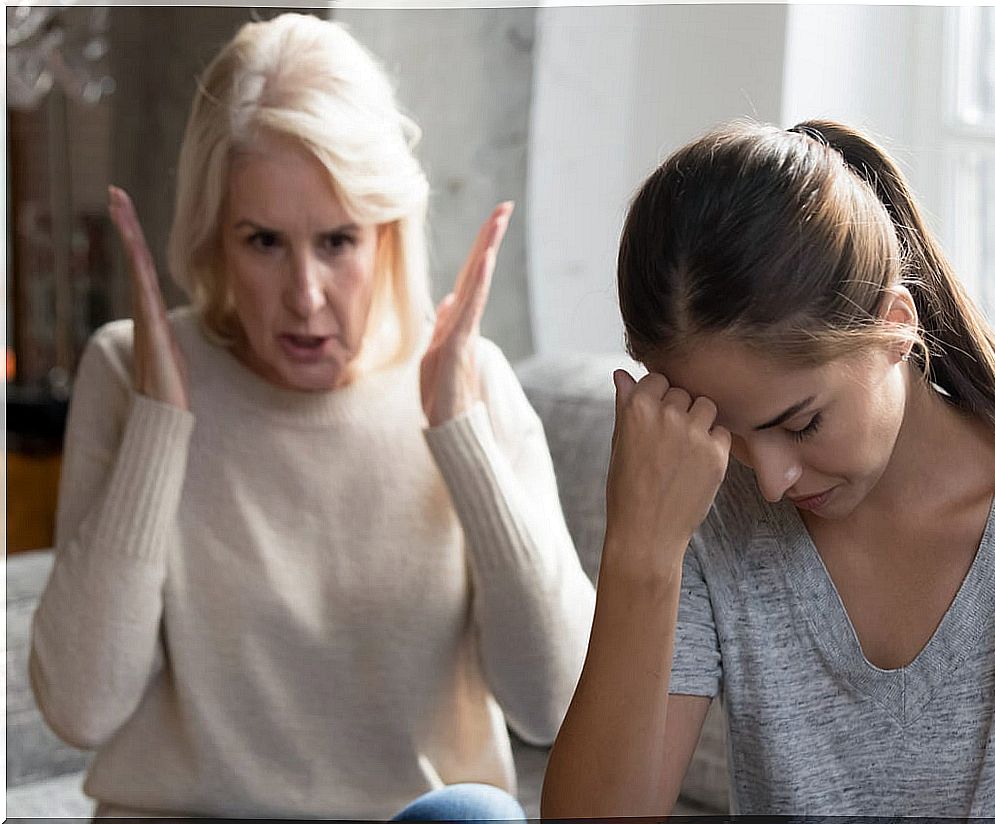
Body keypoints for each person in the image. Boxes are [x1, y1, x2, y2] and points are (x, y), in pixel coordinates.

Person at [30, 13, 595, 819]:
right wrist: (163, 424)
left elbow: (554, 705)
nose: (304, 296)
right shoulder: (132, 372)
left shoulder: (468, 384)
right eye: (263, 241)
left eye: (337, 241)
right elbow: (81, 707)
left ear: (387, 232)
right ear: (214, 238)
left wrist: (458, 433)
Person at [541, 119, 995, 817]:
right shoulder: (704, 508)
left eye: (801, 423)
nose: (772, 480)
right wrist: (641, 551)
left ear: (896, 325)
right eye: (729, 432)